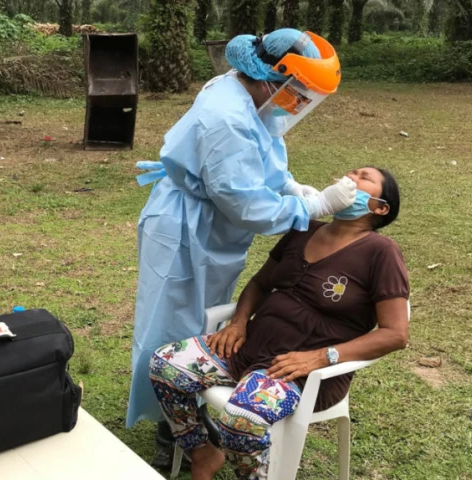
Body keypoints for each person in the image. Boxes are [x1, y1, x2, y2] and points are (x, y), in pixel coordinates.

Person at [127, 28, 355, 467]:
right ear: (275, 78)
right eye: (299, 91)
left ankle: (189, 415)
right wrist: (315, 204)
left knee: (204, 317)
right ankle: (172, 430)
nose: (299, 102)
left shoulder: (253, 95)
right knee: (171, 324)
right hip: (184, 226)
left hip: (211, 226)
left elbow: (263, 150)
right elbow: (244, 203)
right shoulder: (225, 115)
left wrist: (287, 184)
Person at [148, 166, 410, 480]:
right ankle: (203, 452)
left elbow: (395, 334)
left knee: (240, 421)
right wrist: (238, 323)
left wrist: (321, 357)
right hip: (248, 347)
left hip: (300, 370)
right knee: (165, 365)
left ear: (380, 208)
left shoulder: (381, 252)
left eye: (364, 177)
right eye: (351, 171)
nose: (351, 177)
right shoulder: (303, 228)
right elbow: (259, 283)